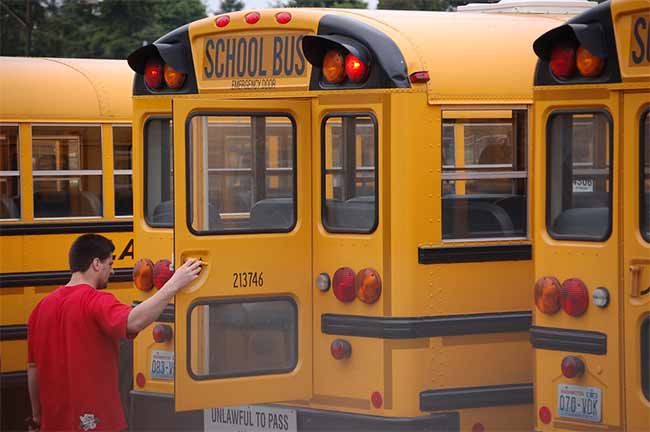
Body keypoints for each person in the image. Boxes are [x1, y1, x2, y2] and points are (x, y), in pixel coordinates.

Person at [26, 233, 201, 431]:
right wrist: (174, 284)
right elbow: (134, 321)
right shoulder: (95, 301)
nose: (113, 271)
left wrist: (37, 417)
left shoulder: (40, 309)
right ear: (96, 264)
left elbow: (33, 370)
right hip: (97, 423)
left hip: (54, 424)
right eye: (110, 264)